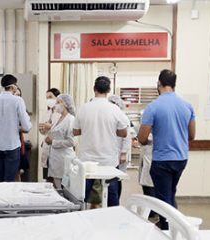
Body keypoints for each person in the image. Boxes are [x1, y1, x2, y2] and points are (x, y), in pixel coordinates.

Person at [138, 69, 196, 228]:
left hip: (162, 160)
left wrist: (149, 141)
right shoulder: (187, 106)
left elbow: (142, 138)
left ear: (159, 84)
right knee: (170, 193)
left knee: (163, 199)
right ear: (174, 85)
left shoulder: (153, 107)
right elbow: (192, 135)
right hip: (181, 159)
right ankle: (173, 226)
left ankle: (168, 229)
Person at [73, 76, 128, 207]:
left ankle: (80, 215)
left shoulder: (84, 108)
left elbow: (75, 131)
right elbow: (124, 133)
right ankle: (112, 216)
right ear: (108, 90)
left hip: (87, 161)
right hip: (108, 160)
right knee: (112, 197)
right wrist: (110, 130)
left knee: (81, 196)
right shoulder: (114, 109)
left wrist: (89, 129)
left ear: (94, 89)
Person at [0, 74, 32, 182]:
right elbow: (26, 126)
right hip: (12, 146)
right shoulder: (17, 101)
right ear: (12, 86)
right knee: (9, 179)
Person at [45, 94, 77, 189]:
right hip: (55, 158)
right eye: (56, 102)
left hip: (64, 158)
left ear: (66, 104)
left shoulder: (70, 119)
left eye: (59, 102)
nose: (56, 105)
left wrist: (53, 142)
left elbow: (72, 142)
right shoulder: (58, 118)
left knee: (65, 188)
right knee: (58, 187)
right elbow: (56, 133)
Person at [108, 94, 134, 198]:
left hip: (119, 152)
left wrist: (123, 153)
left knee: (117, 178)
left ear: (116, 104)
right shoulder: (112, 115)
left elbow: (126, 137)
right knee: (113, 178)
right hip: (113, 151)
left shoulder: (122, 117)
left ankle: (116, 199)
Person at [38, 88, 61, 180]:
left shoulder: (62, 114)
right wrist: (42, 128)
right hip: (47, 147)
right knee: (47, 178)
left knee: (57, 178)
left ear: (58, 98)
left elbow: (63, 130)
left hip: (57, 148)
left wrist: (50, 126)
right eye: (47, 98)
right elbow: (43, 132)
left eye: (50, 97)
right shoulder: (47, 113)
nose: (48, 100)